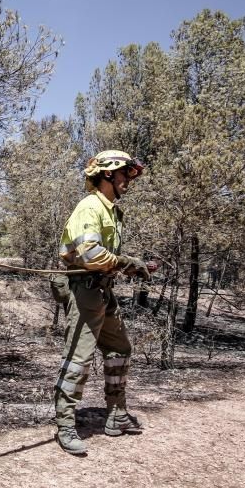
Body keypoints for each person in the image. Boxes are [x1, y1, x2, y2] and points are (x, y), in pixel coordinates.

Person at [50, 150, 154, 456]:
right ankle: (66, 426)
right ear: (108, 174)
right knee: (78, 359)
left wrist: (129, 265)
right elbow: (91, 254)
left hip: (102, 292)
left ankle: (116, 415)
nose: (128, 182)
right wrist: (125, 261)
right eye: (125, 175)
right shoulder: (90, 207)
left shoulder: (109, 210)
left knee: (120, 349)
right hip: (85, 292)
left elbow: (105, 259)